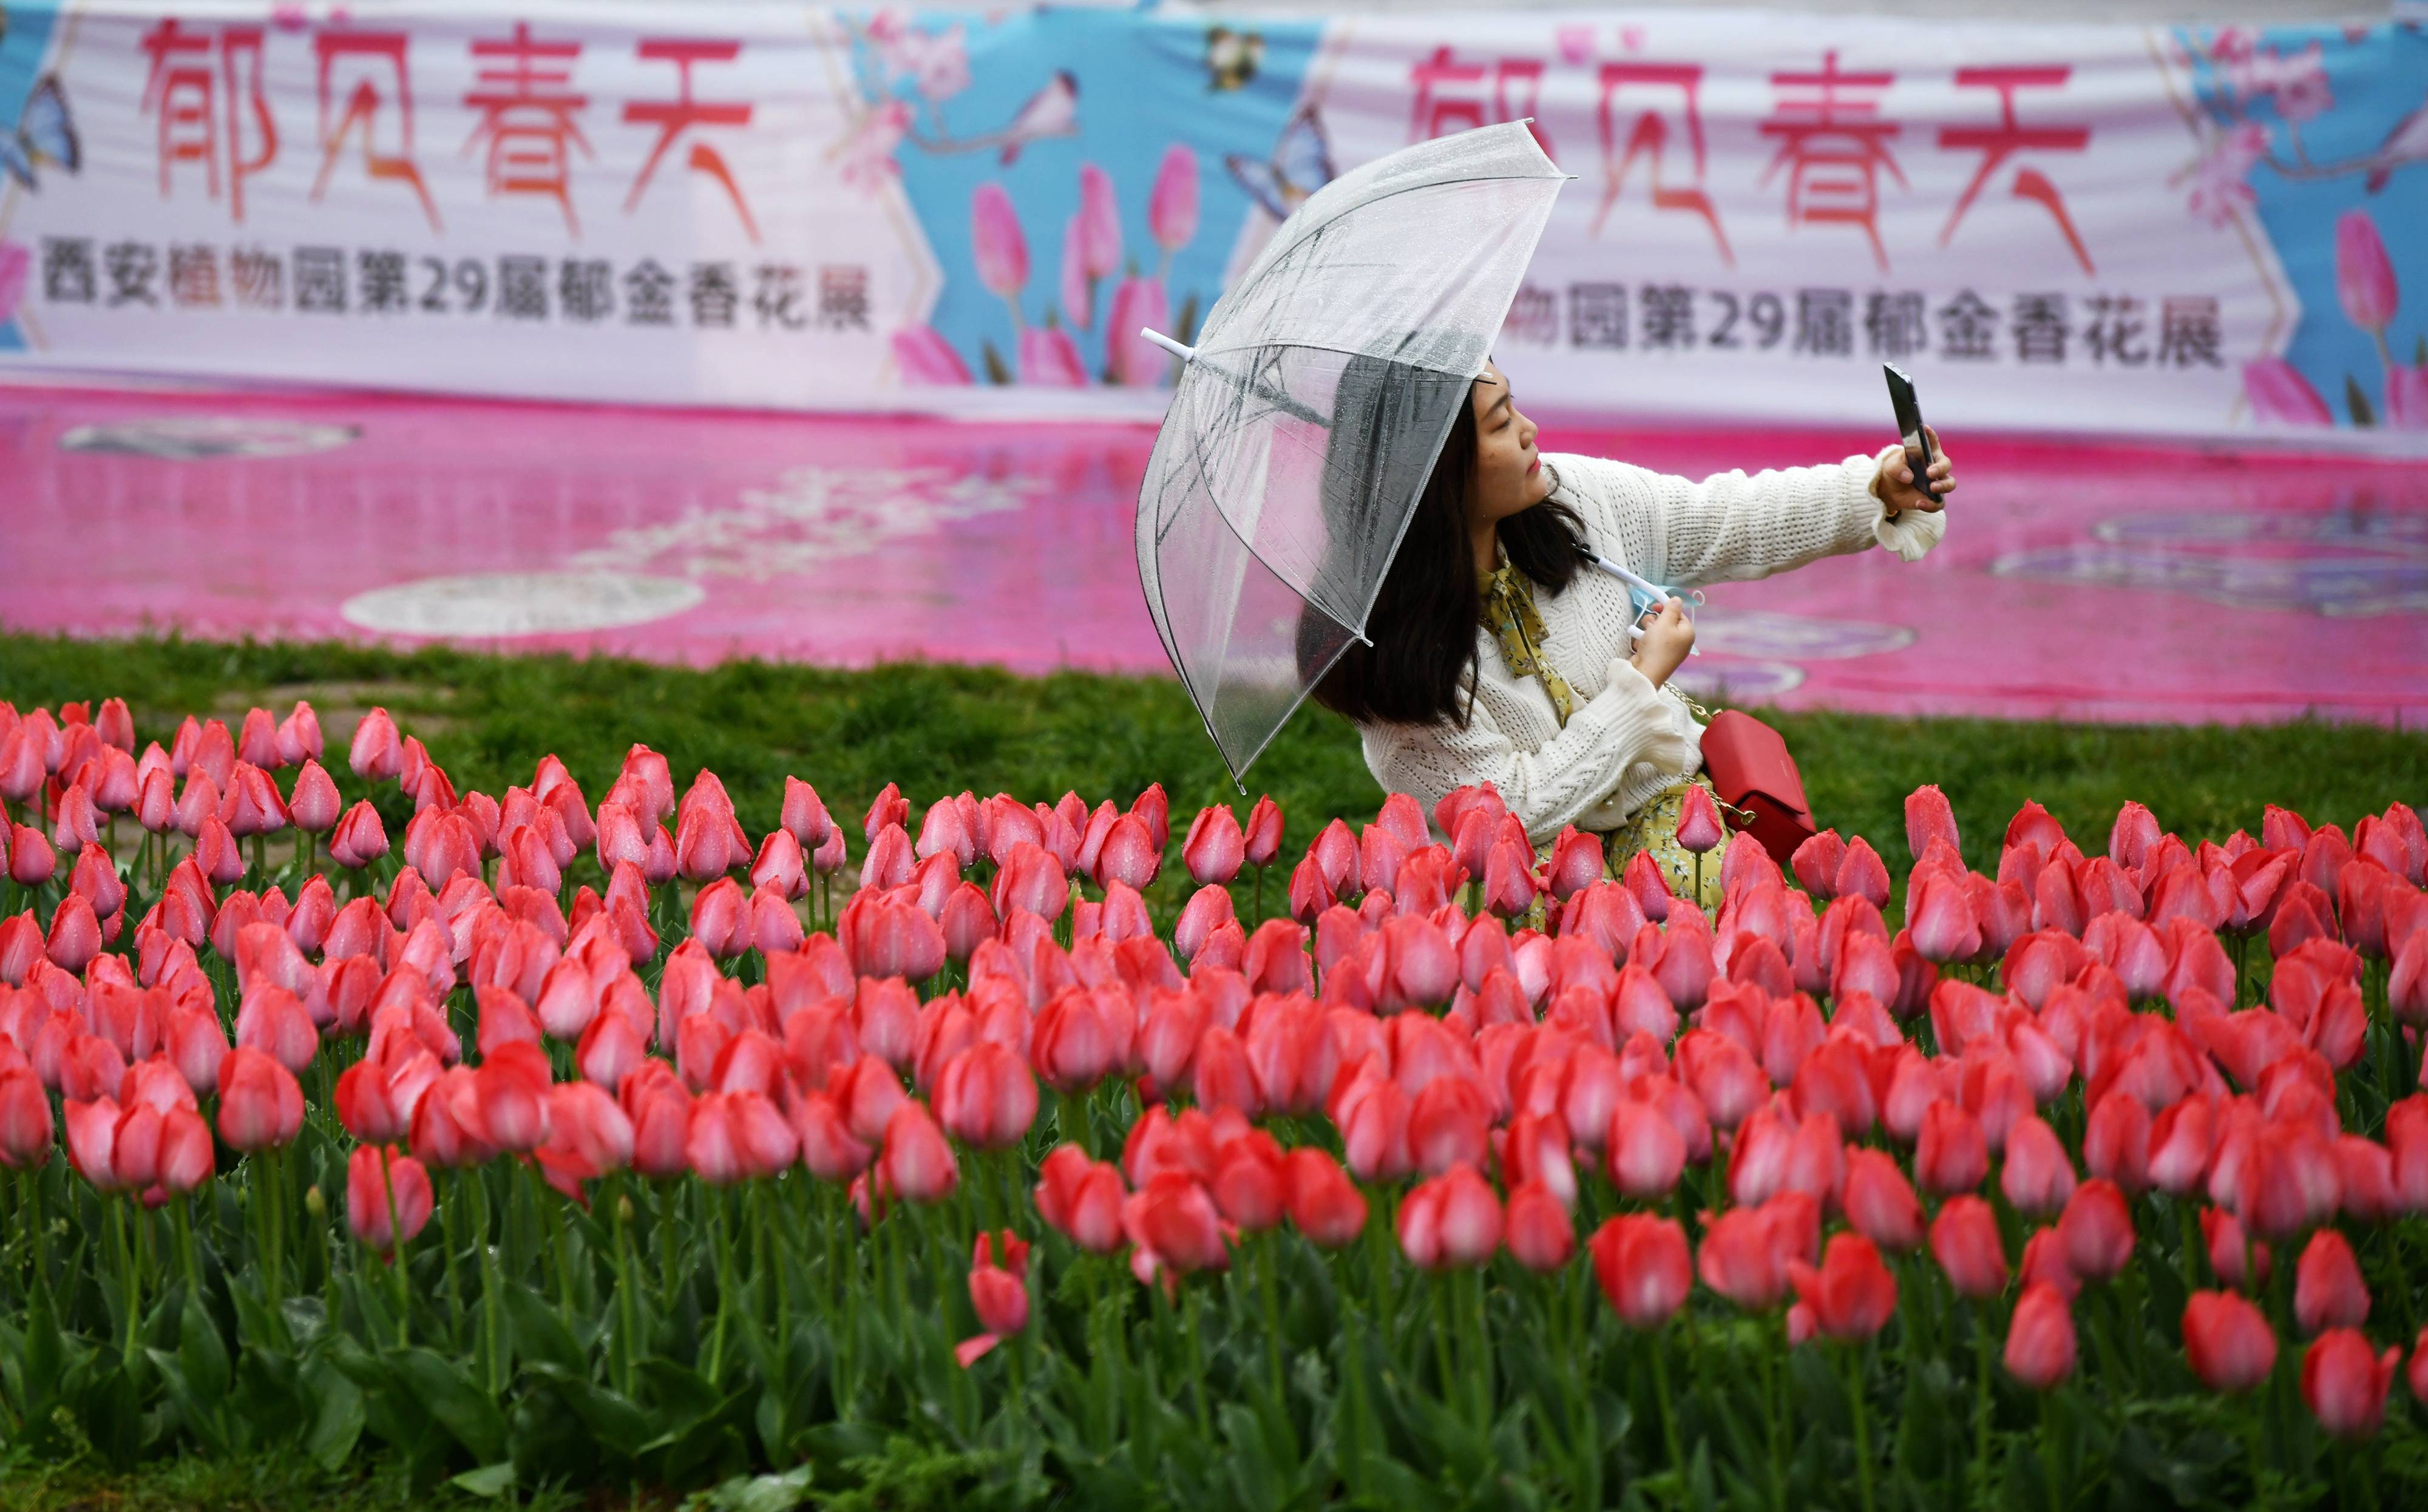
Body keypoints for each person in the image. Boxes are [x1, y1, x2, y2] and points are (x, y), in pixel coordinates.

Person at [1304, 359, 1954, 908]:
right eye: (1501, 424)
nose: (1530, 432)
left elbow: (1722, 519)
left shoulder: (1572, 502)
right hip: (1519, 882)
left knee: (1710, 914)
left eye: (1514, 408)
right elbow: (1511, 812)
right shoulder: (1390, 658)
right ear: (1438, 472)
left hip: (1668, 821)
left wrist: (1873, 490)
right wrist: (1640, 685)